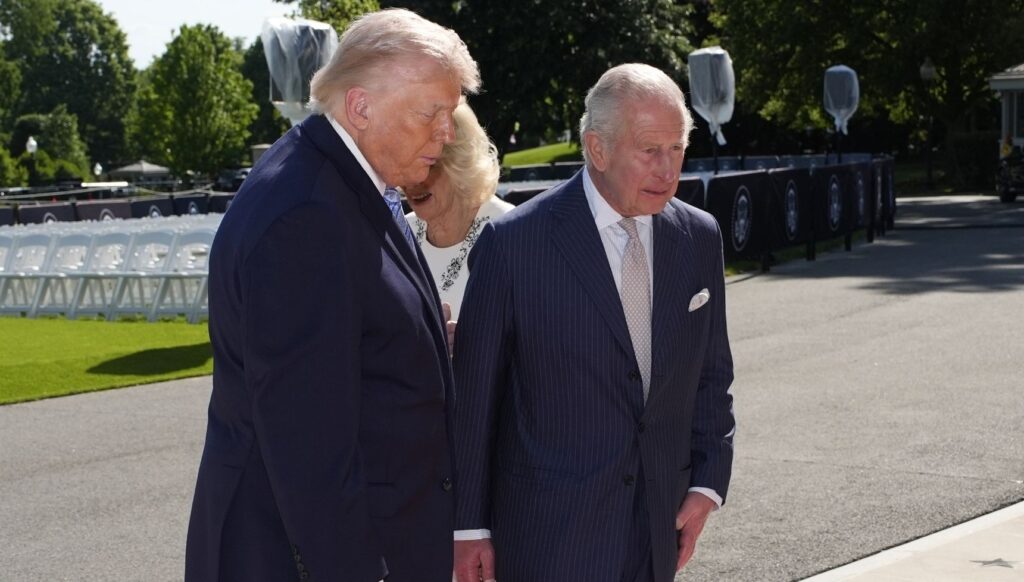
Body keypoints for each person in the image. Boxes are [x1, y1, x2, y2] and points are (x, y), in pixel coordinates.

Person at [184, 9, 479, 582]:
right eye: (432, 113)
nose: (447, 132)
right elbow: (309, 454)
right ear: (361, 107)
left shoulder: (346, 176)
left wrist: (417, 347)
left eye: (452, 112)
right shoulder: (307, 215)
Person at [451, 63, 735, 582]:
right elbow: (474, 400)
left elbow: (712, 376)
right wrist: (469, 528)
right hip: (547, 537)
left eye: (677, 149)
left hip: (656, 530)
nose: (668, 169)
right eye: (650, 150)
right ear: (597, 149)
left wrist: (707, 484)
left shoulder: (699, 237)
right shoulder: (514, 245)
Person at [404, 100, 514, 320]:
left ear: (460, 163)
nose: (413, 180)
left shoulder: (510, 229)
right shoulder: (401, 232)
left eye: (429, 165)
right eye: (406, 164)